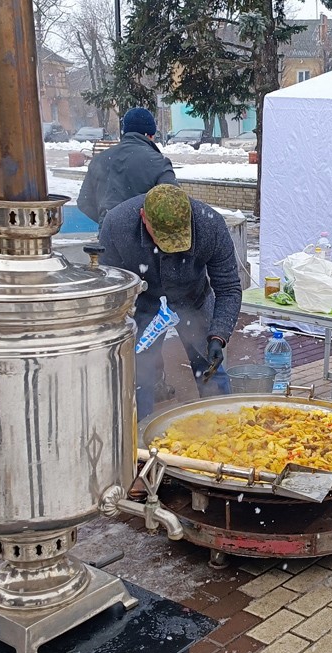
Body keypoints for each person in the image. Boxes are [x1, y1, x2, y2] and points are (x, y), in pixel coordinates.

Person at [98, 184, 241, 419]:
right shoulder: (118, 225)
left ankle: (225, 425)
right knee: (137, 375)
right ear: (144, 218)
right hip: (143, 302)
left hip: (193, 300)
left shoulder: (210, 225)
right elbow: (110, 287)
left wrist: (219, 335)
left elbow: (228, 287)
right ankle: (138, 438)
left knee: (210, 368)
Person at [78, 107, 178, 225]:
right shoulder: (159, 162)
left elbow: (84, 201)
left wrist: (107, 221)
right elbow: (173, 204)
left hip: (107, 238)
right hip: (143, 240)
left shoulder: (99, 159)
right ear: (150, 135)